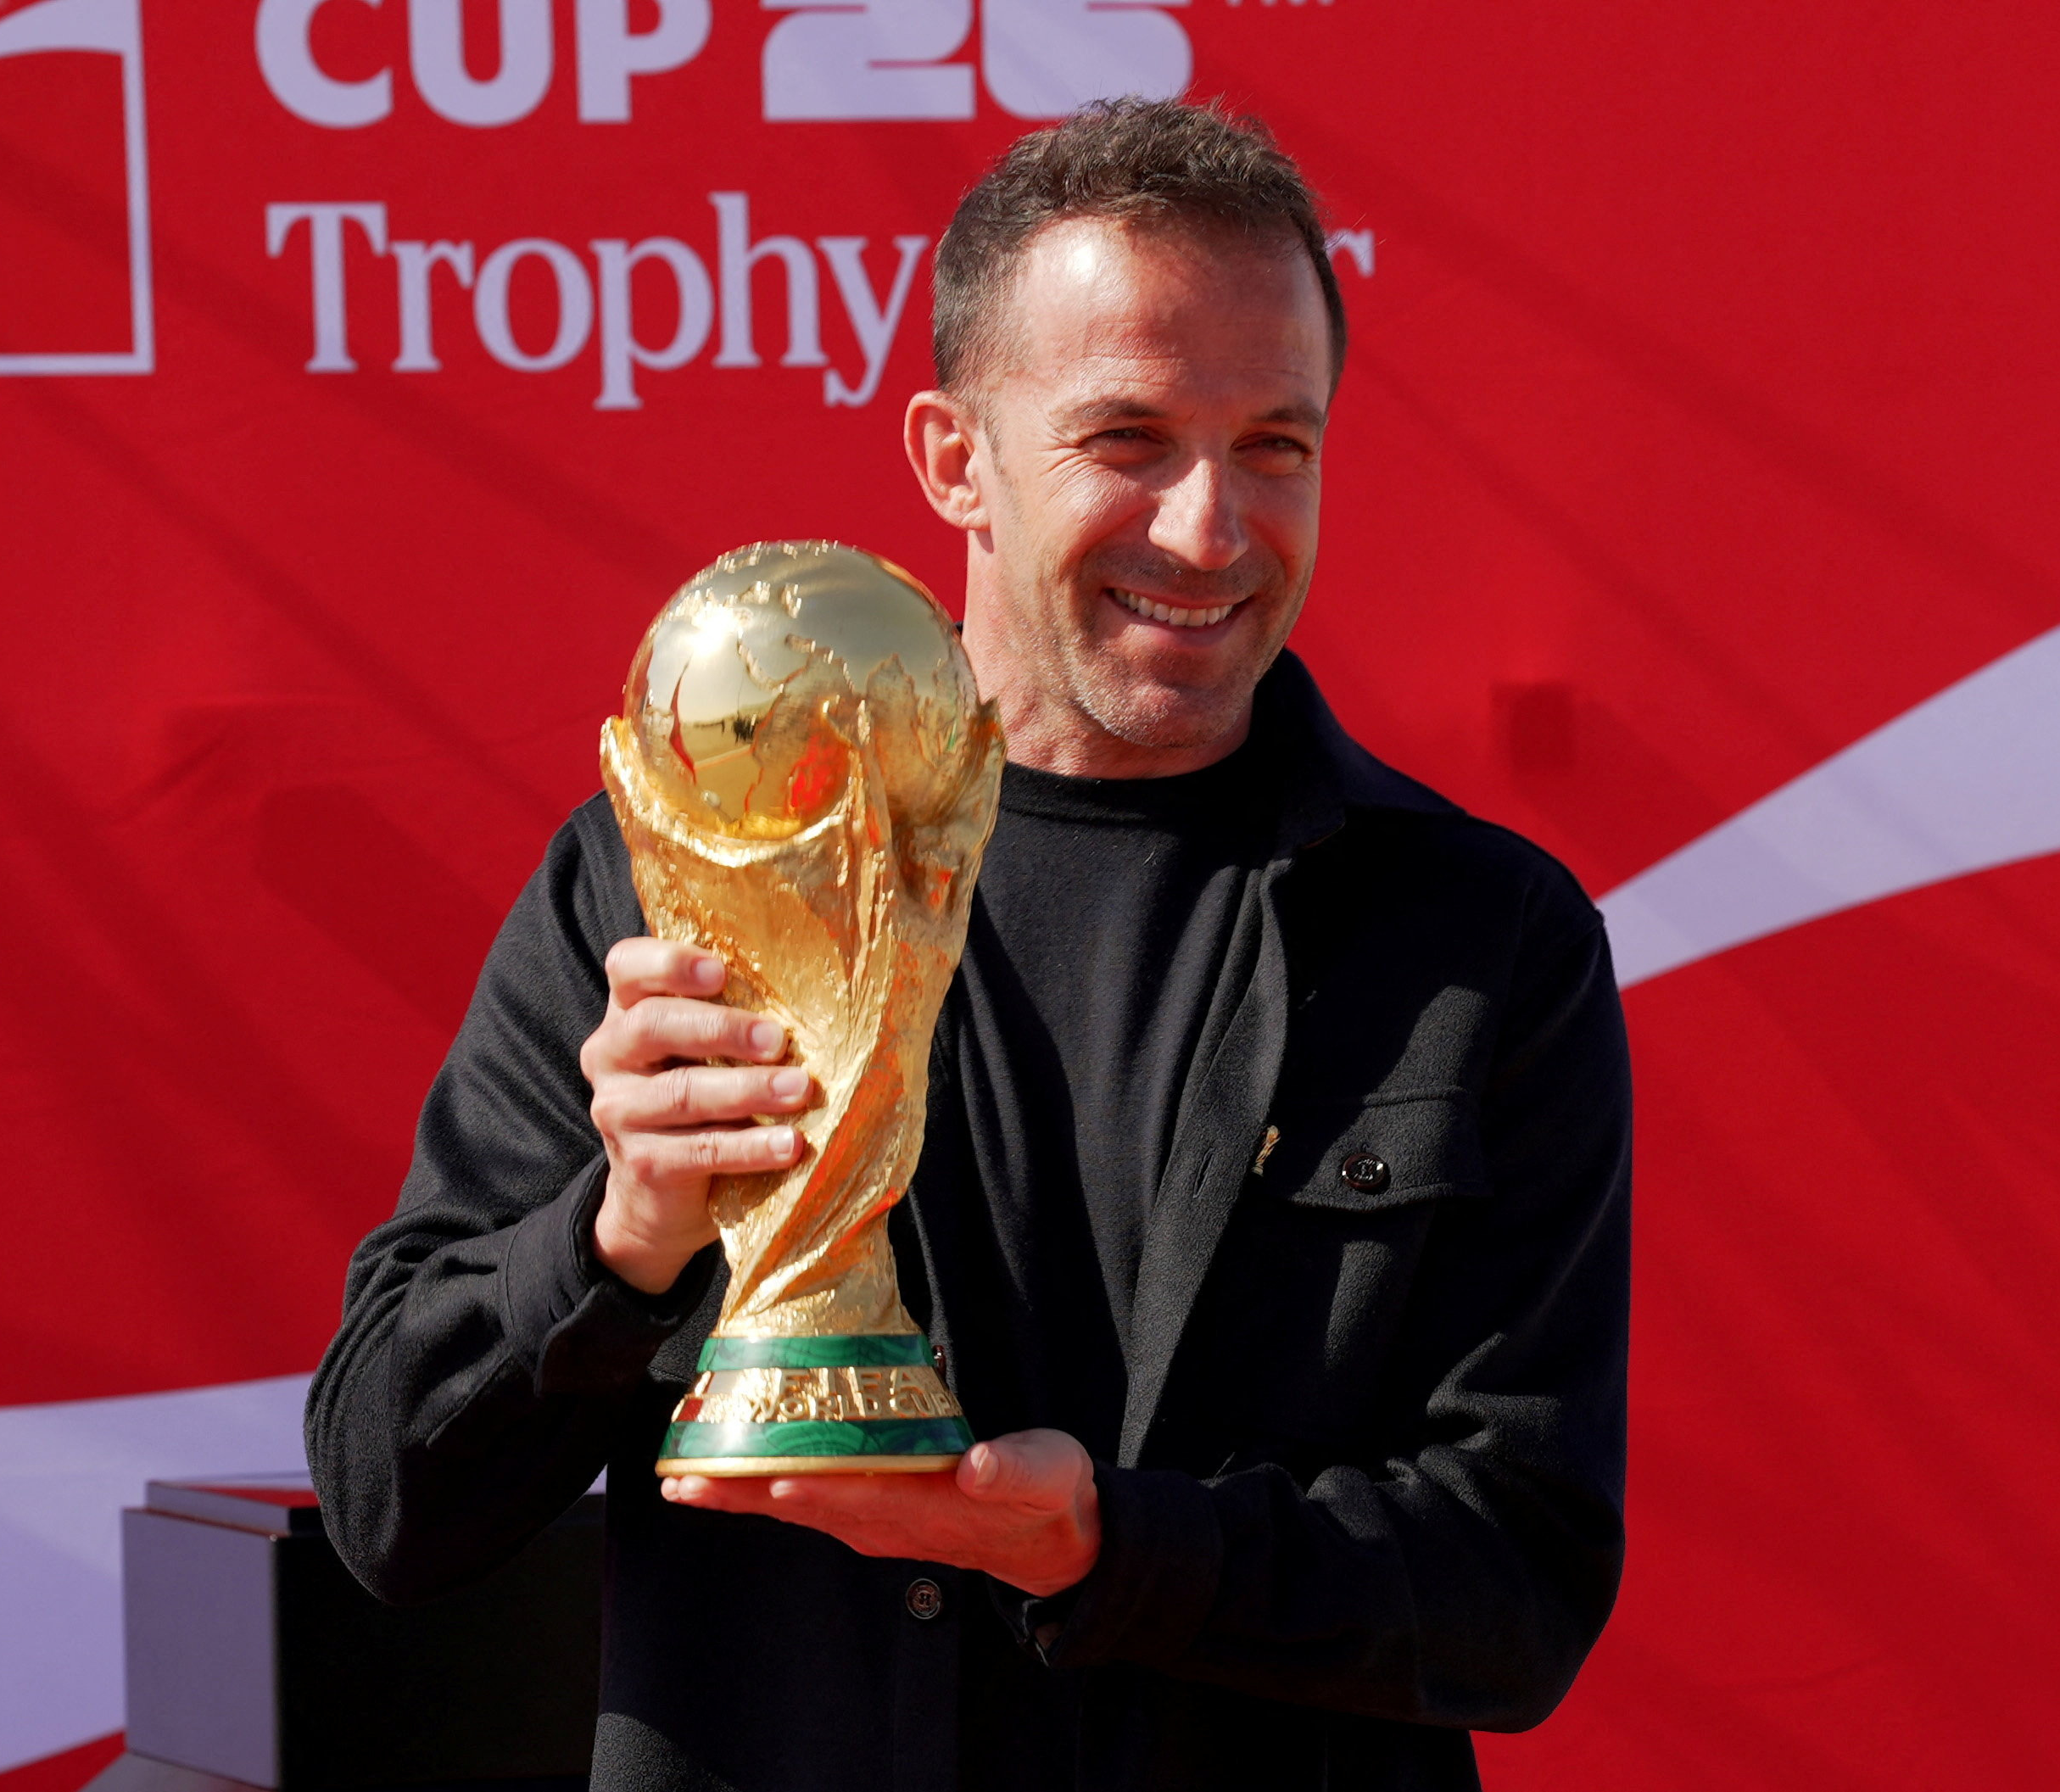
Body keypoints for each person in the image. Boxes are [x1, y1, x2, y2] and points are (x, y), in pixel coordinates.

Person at [307, 99, 1631, 1792]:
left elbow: (1515, 1588)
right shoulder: (674, 875)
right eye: (1129, 439)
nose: (1212, 531)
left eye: (1276, 445)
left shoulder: (1478, 939)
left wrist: (1107, 1547)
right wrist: (620, 1234)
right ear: (952, 459)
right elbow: (384, 1496)